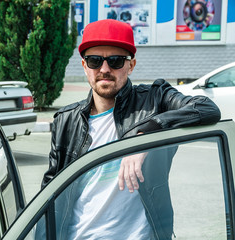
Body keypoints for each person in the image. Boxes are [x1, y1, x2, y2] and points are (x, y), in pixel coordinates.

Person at [41, 19, 221, 239]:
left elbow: (207, 108)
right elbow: (48, 198)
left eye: (115, 61)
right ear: (84, 66)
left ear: (131, 65)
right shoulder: (66, 121)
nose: (104, 69)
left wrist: (147, 133)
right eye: (94, 60)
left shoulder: (155, 99)